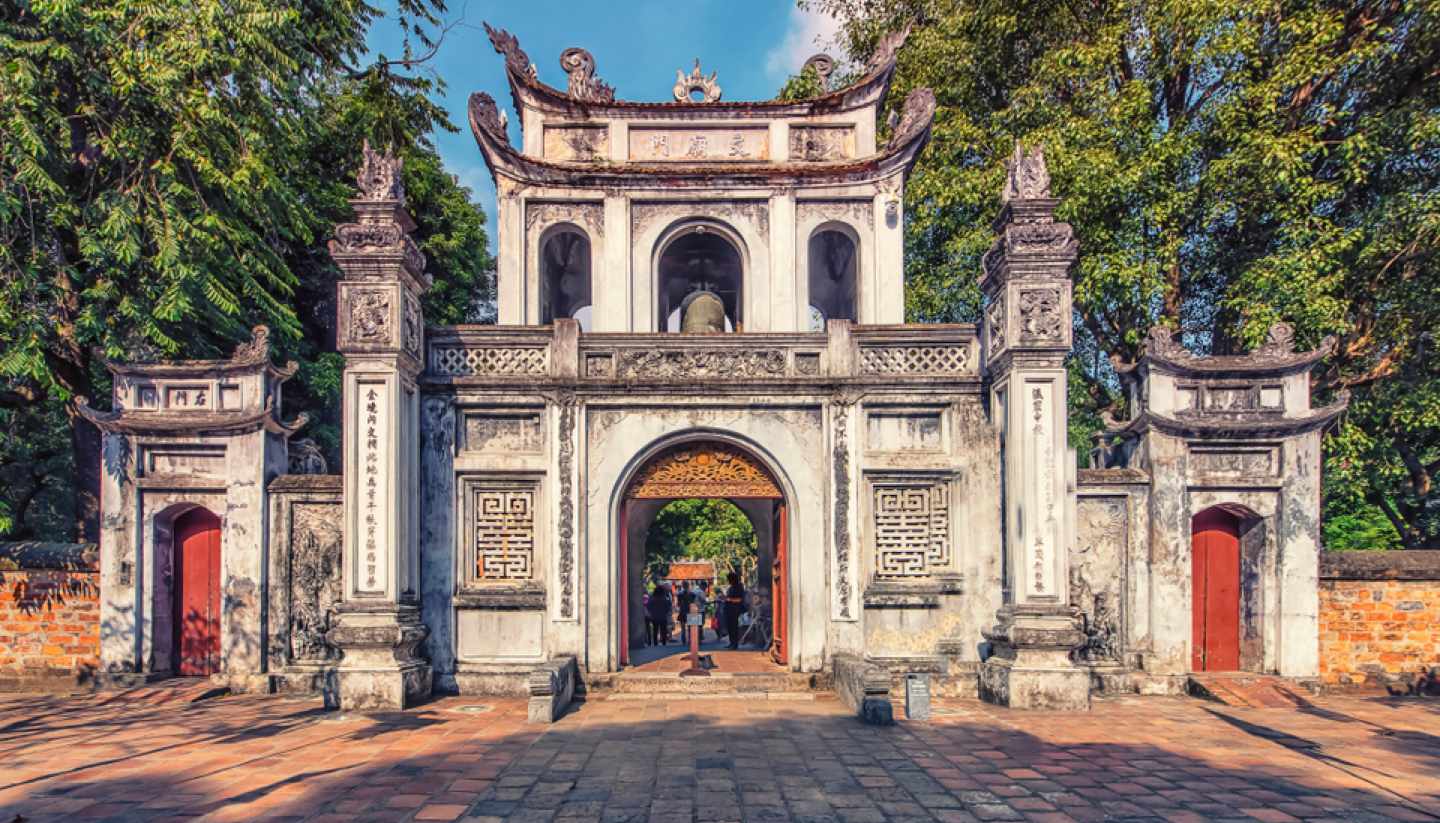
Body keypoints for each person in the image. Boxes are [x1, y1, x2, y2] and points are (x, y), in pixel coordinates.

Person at [722, 572, 746, 650]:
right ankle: (731, 642)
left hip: (735, 610)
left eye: (729, 579)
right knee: (729, 627)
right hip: (729, 610)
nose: (728, 581)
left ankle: (734, 644)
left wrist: (729, 599)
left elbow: (740, 599)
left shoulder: (739, 587)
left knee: (734, 628)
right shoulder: (731, 587)